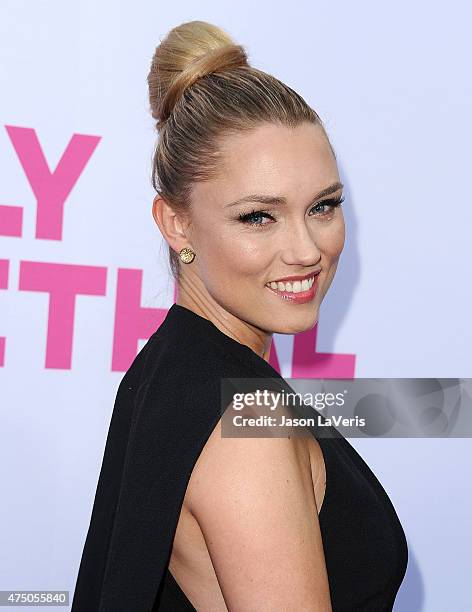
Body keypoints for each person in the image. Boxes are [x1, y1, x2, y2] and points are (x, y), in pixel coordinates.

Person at [71, 20, 408, 611]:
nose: (307, 249)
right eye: (259, 216)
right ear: (176, 224)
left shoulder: (168, 370)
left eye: (323, 206)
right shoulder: (246, 423)